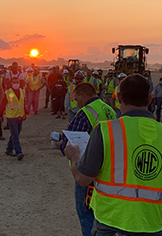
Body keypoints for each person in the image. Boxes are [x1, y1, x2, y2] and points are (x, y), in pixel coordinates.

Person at [64, 74, 162, 235]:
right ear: (150, 99)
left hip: (110, 225)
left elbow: (83, 179)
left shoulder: (106, 131)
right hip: (151, 226)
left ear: (119, 97)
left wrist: (73, 157)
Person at [58, 82, 117, 236]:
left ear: (83, 95)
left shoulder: (86, 112)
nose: (76, 102)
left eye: (77, 98)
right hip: (108, 169)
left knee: (85, 213)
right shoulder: (109, 109)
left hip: (87, 170)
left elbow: (71, 143)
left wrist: (61, 144)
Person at [3, 78, 27, 160]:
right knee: (15, 135)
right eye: (14, 82)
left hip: (20, 116)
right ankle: (18, 152)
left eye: (17, 82)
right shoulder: (7, 93)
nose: (16, 83)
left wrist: (25, 113)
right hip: (11, 117)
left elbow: (23, 103)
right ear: (11, 83)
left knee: (15, 134)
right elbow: (2, 105)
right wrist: (0, 116)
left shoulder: (21, 91)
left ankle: (9, 149)